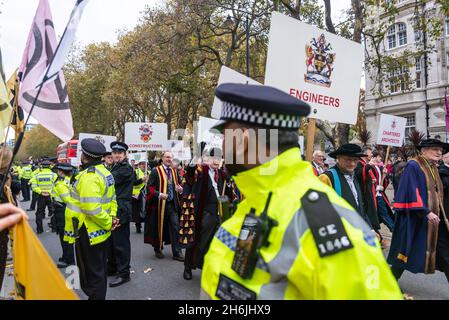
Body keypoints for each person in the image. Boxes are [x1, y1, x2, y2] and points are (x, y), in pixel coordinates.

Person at [199, 83, 402, 300]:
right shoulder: (255, 201)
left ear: (243, 141)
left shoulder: (325, 221)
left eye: (225, 135)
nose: (222, 144)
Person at [388, 139, 449, 286]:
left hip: (434, 219)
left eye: (440, 150)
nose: (439, 152)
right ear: (423, 151)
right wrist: (425, 211)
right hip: (415, 218)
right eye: (435, 149)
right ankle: (389, 280)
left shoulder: (432, 167)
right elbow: (410, 190)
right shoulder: (414, 165)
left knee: (445, 252)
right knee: (405, 252)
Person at [68, 138, 118, 300]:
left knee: (93, 275)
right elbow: (112, 200)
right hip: (102, 231)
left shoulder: (89, 176)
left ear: (84, 156)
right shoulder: (106, 172)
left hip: (89, 232)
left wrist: (108, 222)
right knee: (99, 271)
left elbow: (91, 208)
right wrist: (111, 218)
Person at [181, 148, 236, 281]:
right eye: (214, 158)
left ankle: (209, 269)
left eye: (219, 158)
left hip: (219, 215)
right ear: (208, 159)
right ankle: (187, 267)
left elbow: (230, 194)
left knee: (215, 244)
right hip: (203, 213)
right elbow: (189, 174)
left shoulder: (223, 175)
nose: (216, 161)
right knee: (197, 242)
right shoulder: (201, 171)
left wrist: (232, 195)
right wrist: (196, 157)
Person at [318, 144, 374, 229]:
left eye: (355, 160)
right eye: (348, 160)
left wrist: (370, 229)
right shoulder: (327, 178)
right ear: (338, 158)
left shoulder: (354, 177)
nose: (352, 164)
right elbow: (319, 210)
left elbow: (359, 207)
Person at [144, 151, 184, 261]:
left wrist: (180, 189)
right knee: (158, 227)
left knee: (176, 227)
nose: (169, 159)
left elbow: (180, 184)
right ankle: (157, 248)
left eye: (171, 157)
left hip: (172, 204)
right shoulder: (155, 171)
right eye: (167, 157)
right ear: (162, 158)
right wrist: (159, 194)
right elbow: (150, 188)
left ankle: (177, 252)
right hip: (159, 205)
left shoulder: (174, 171)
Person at [107, 141, 134, 288]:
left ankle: (124, 274)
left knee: (121, 243)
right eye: (115, 153)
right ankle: (112, 268)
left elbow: (109, 180)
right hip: (113, 208)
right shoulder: (114, 167)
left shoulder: (125, 169)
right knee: (112, 242)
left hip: (121, 210)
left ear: (124, 155)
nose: (117, 155)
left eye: (120, 153)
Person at [355, 147, 382, 242]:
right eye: (370, 153)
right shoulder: (359, 164)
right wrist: (368, 166)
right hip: (363, 196)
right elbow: (358, 175)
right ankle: (375, 238)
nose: (372, 155)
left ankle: (377, 237)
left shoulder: (365, 164)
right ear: (364, 154)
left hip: (370, 195)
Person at [52, 163, 75, 269]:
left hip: (62, 210)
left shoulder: (61, 184)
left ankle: (69, 260)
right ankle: (66, 256)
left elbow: (68, 200)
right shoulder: (69, 180)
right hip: (64, 210)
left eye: (59, 170)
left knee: (65, 236)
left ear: (61, 172)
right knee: (66, 235)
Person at [370, 151, 395, 233]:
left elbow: (383, 181)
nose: (381, 159)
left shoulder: (379, 168)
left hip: (380, 195)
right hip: (375, 195)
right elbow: (368, 182)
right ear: (375, 157)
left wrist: (385, 174)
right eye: (379, 157)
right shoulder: (370, 167)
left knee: (385, 213)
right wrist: (377, 187)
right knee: (384, 214)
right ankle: (394, 229)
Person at [30, 161, 56, 234]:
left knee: (39, 212)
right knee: (53, 211)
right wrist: (49, 192)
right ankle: (54, 227)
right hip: (51, 196)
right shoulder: (54, 175)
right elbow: (56, 185)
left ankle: (39, 229)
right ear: (50, 166)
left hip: (41, 196)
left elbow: (34, 186)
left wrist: (41, 192)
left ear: (41, 167)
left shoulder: (37, 176)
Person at [132, 161, 147, 234]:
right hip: (136, 194)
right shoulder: (135, 172)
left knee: (145, 210)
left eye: (144, 164)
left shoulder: (148, 172)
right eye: (142, 164)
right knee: (137, 211)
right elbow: (133, 182)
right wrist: (142, 180)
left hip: (145, 193)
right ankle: (138, 225)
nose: (143, 165)